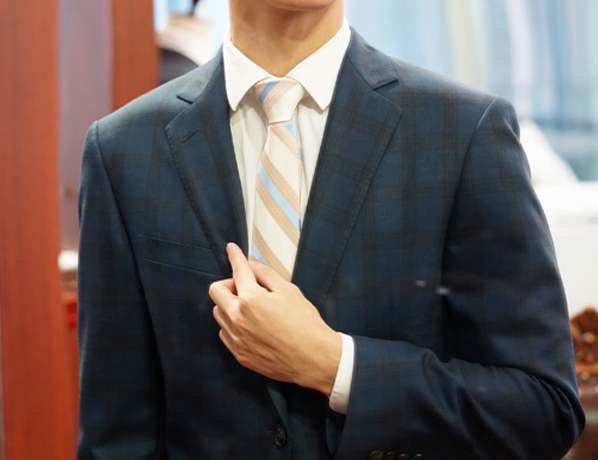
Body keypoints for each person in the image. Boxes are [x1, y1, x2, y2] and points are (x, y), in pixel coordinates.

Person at [77, 0, 585, 459]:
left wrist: (336, 366)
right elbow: (115, 437)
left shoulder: (462, 130)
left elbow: (543, 409)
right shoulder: (124, 150)